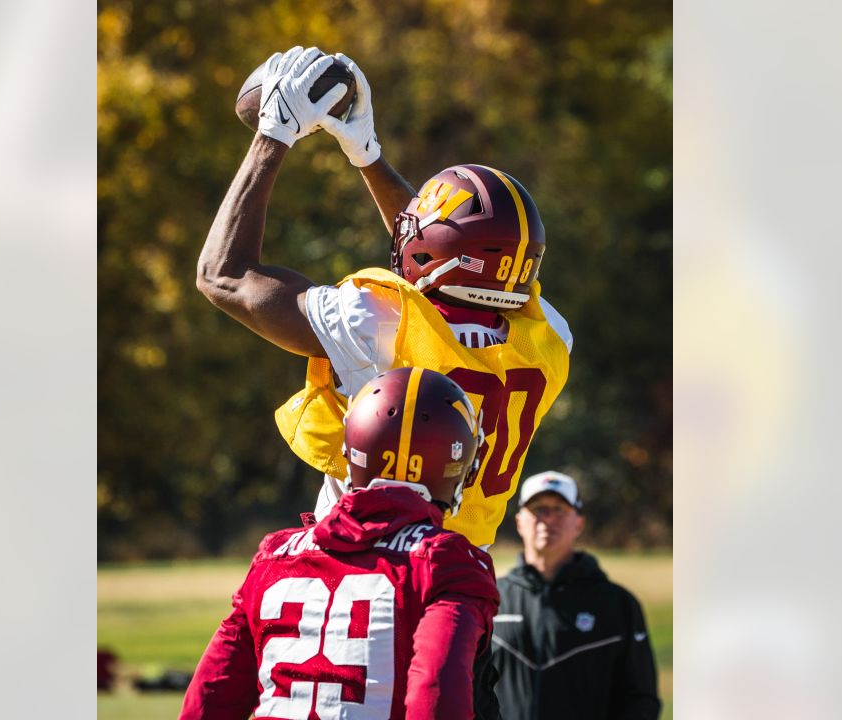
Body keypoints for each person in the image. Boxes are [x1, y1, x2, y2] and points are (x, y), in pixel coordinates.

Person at [195, 45, 573, 553]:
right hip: (462, 575)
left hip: (363, 572)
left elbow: (222, 275)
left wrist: (273, 134)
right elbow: (436, 257)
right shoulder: (550, 336)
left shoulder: (374, 319)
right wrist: (367, 155)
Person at [179, 367, 499, 720]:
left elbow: (209, 699)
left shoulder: (274, 555)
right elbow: (436, 697)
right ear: (459, 465)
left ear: (351, 450)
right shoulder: (448, 563)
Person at [490, 471, 661, 720]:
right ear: (519, 522)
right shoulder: (491, 599)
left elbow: (640, 700)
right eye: (538, 509)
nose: (548, 519)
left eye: (560, 509)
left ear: (579, 523)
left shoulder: (616, 604)